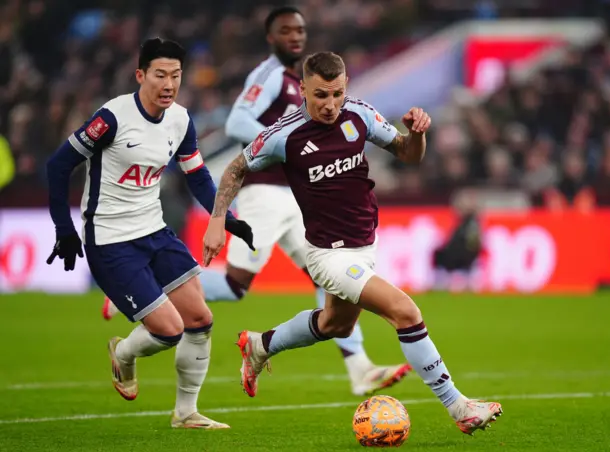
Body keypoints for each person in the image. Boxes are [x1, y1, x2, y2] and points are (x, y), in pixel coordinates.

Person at [109, 5, 411, 395]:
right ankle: (145, 288)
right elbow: (237, 124)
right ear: (271, 38)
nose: (295, 38)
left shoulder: (297, 81)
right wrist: (293, 144)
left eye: (300, 31)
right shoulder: (268, 76)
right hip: (266, 193)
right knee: (238, 285)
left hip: (295, 196)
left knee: (333, 275)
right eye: (286, 31)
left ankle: (359, 367)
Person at [202, 51, 503, 436]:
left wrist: (417, 133)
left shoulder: (359, 115)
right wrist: (216, 221)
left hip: (364, 245)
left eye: (337, 94)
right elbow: (236, 168)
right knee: (405, 312)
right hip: (328, 255)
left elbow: (409, 154)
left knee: (335, 324)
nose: (330, 105)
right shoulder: (284, 134)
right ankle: (459, 406)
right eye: (321, 95)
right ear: (303, 89)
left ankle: (259, 345)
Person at [46, 38, 253, 430]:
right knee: (170, 329)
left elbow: (197, 176)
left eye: (176, 75)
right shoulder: (111, 118)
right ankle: (123, 353)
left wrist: (225, 217)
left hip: (154, 231)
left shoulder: (181, 119)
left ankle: (185, 413)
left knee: (200, 318)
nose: (169, 83)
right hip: (109, 239)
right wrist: (64, 228)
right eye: (160, 74)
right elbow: (58, 166)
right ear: (141, 75)